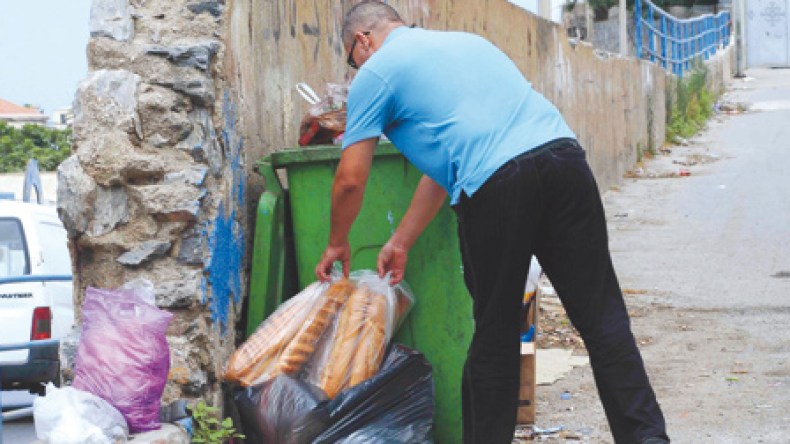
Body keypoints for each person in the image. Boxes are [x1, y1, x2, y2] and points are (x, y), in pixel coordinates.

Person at [314, 1, 670, 443]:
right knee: (603, 320)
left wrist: (336, 242)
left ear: (362, 40)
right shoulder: (467, 43)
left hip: (499, 188)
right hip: (564, 160)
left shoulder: (376, 72)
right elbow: (449, 165)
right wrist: (402, 239)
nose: (355, 69)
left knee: (496, 334)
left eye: (352, 59)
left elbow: (350, 179)